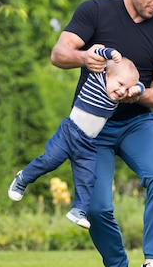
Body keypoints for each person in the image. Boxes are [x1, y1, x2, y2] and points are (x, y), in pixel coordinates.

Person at [49, 0, 153, 267]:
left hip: (136, 122)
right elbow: (59, 53)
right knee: (95, 205)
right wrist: (83, 57)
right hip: (92, 126)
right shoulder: (95, 11)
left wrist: (136, 94)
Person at [8, 47, 144, 229]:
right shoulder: (97, 78)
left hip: (88, 143)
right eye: (120, 84)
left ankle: (78, 210)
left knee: (87, 176)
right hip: (69, 132)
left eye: (126, 89)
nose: (121, 91)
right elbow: (97, 52)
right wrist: (111, 53)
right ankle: (22, 179)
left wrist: (136, 88)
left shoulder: (118, 96)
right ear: (108, 74)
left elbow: (141, 87)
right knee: (49, 161)